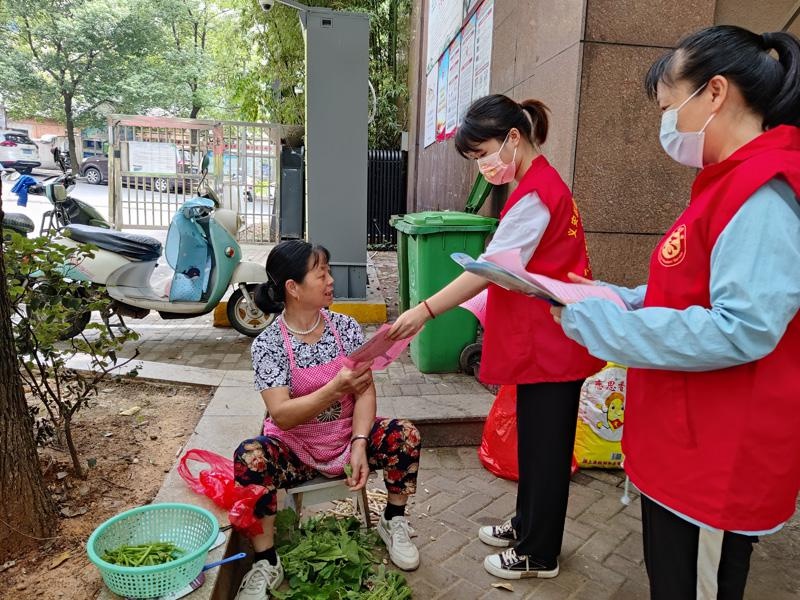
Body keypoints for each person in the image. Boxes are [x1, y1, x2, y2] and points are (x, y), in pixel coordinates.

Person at [550, 25, 800, 600]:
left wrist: (611, 327)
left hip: (716, 457)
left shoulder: (761, 193)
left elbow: (744, 326)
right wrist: (617, 297)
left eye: (669, 107)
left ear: (715, 93)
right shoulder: (723, 185)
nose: (667, 125)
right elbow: (691, 288)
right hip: (685, 444)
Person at [388, 94, 604, 580]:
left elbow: (490, 270)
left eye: (482, 153)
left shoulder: (535, 195)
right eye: (474, 159)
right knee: (535, 444)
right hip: (547, 341)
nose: (482, 166)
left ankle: (538, 553)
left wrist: (424, 310)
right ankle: (527, 525)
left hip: (553, 345)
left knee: (546, 452)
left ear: (513, 138)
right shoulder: (536, 183)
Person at [233, 240, 422, 600]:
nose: (331, 281)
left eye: (329, 272)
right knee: (250, 457)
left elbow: (365, 391)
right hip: (295, 448)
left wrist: (360, 443)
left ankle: (393, 518)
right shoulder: (269, 344)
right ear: (293, 287)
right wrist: (335, 389)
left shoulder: (346, 328)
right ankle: (266, 560)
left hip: (347, 440)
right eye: (322, 274)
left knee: (405, 435)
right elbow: (282, 415)